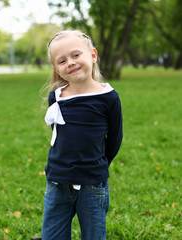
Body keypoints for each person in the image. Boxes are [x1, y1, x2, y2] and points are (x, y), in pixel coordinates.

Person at [41, 30, 123, 240]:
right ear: (56, 69)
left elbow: (114, 139)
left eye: (76, 55)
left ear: (93, 55)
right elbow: (59, 136)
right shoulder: (56, 97)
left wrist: (98, 165)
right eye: (62, 60)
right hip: (58, 182)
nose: (70, 62)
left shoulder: (108, 98)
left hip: (92, 185)